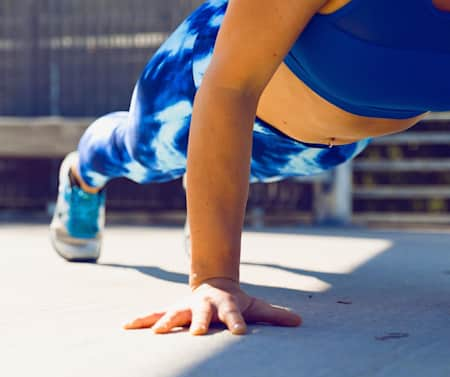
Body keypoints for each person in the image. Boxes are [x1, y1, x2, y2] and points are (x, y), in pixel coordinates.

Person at [50, 0, 450, 335]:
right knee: (139, 152)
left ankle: (206, 195)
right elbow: (230, 86)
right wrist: (214, 280)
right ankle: (81, 176)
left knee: (240, 168)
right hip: (200, 84)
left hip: (322, 148)